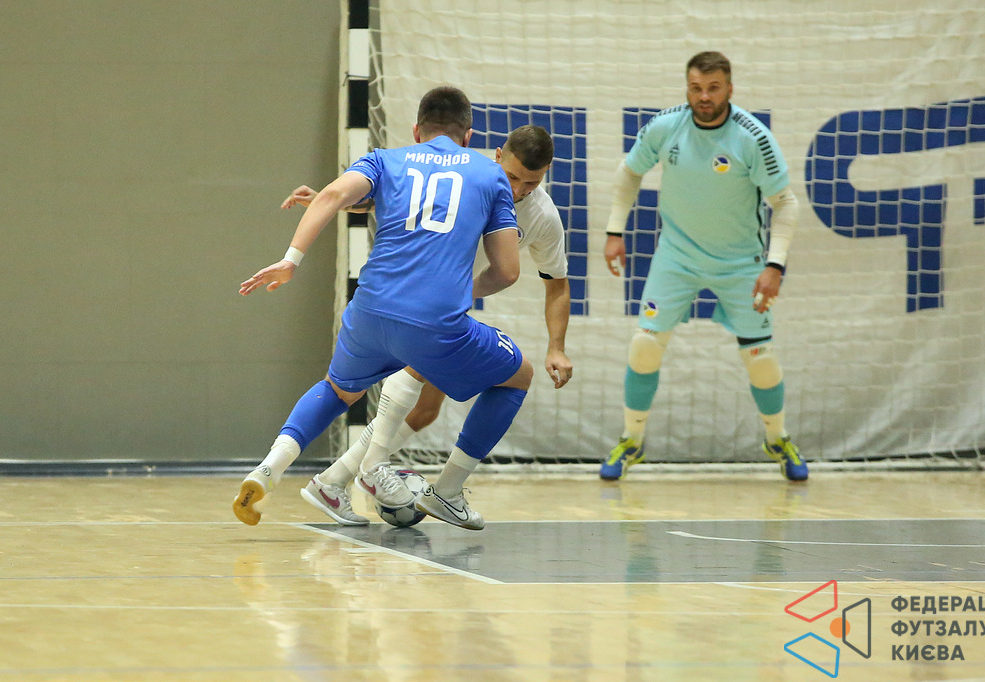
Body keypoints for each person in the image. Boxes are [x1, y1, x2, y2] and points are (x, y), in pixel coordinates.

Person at [233, 85, 534, 531]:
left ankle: (269, 468)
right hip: (435, 324)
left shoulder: (385, 160)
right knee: (518, 376)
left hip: (369, 311)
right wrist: (455, 292)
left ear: (416, 131)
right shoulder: (489, 175)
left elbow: (331, 196)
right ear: (468, 136)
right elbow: (507, 272)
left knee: (338, 390)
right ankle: (448, 491)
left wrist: (290, 260)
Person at [285, 125, 573, 526]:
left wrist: (556, 346)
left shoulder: (543, 216)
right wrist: (327, 200)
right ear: (497, 156)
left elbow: (557, 283)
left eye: (532, 182)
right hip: (418, 302)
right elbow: (393, 199)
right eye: (512, 177)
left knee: (424, 412)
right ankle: (383, 475)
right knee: (466, 372)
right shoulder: (471, 176)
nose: (519, 189)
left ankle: (335, 479)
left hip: (446, 309)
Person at [599, 51, 807, 482]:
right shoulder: (666, 126)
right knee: (644, 346)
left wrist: (775, 265)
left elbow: (786, 204)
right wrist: (614, 230)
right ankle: (632, 441)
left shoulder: (753, 137)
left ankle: (778, 439)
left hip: (741, 264)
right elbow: (629, 172)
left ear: (730, 89)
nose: (704, 97)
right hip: (677, 258)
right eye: (696, 88)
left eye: (713, 88)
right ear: (687, 88)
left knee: (760, 357)